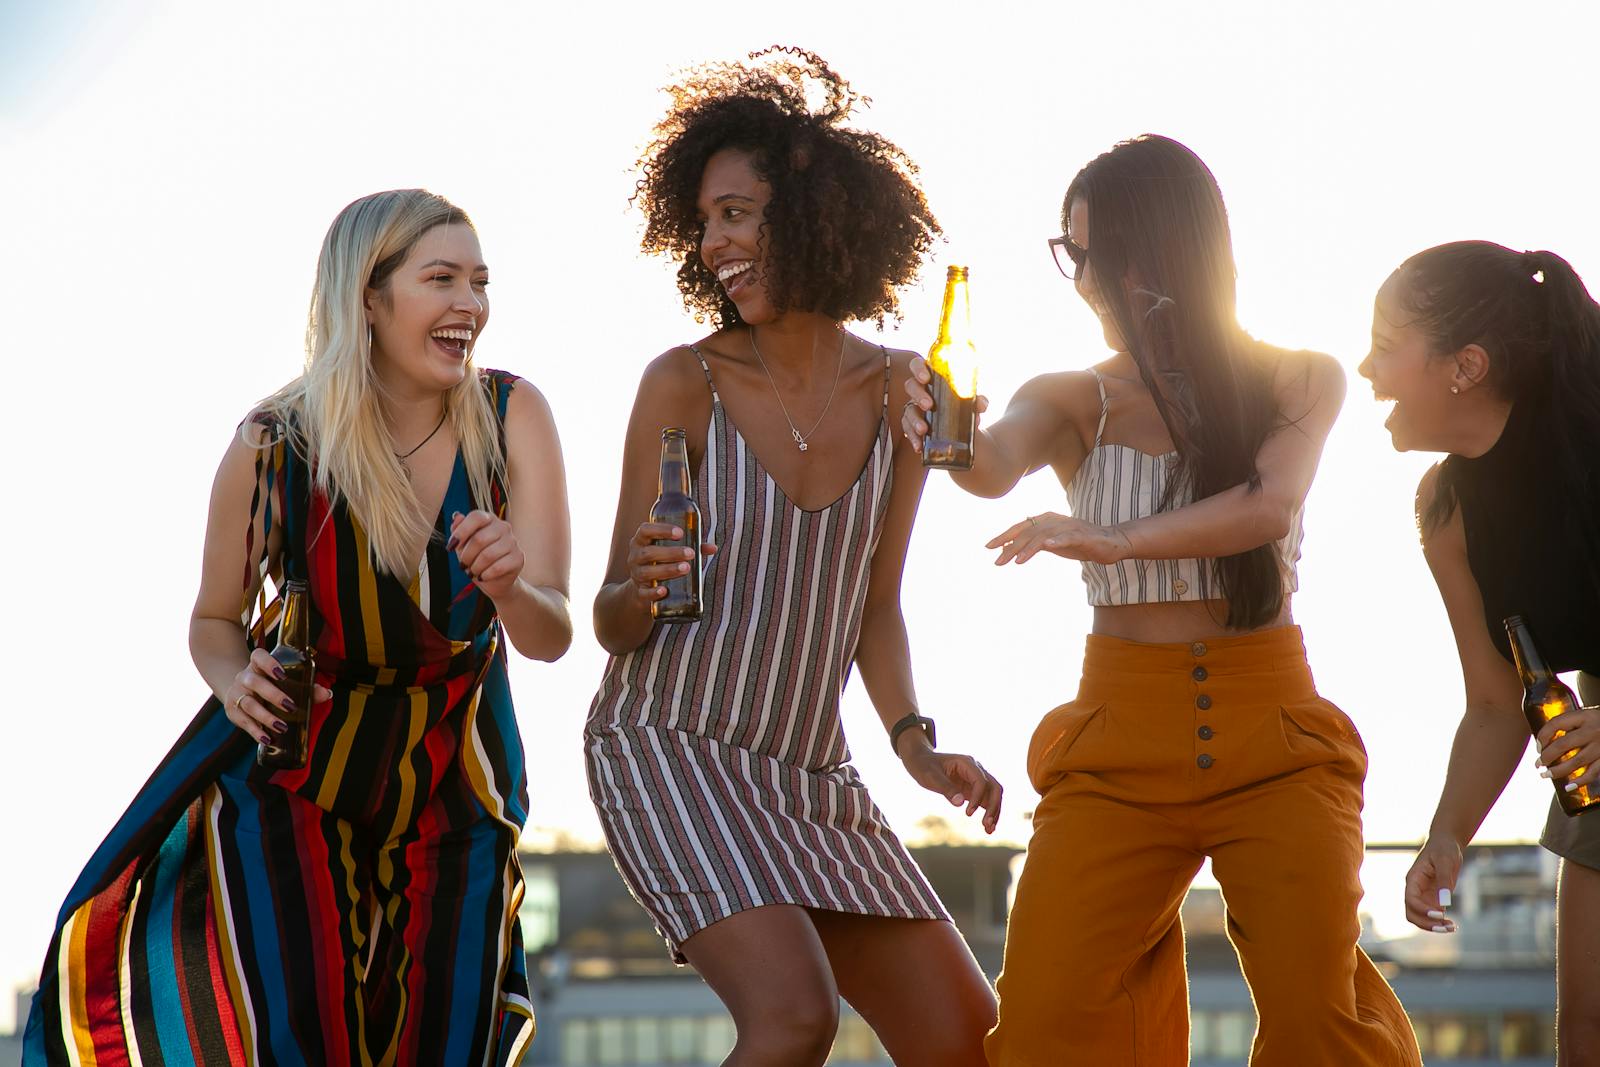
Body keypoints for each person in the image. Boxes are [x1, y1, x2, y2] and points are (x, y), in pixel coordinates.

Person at [905, 134, 1421, 1065]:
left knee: (1318, 1021)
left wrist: (1112, 539)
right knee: (1045, 1021)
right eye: (1071, 255)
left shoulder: (1298, 377)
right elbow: (986, 466)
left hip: (1277, 738)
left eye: (1096, 255)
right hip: (1116, 742)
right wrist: (942, 418)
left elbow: (1267, 507)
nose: (1084, 282)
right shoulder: (1073, 396)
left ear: (1171, 248)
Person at [25, 189, 572, 1064]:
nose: (470, 303)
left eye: (479, 280)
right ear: (368, 295)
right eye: (441, 279)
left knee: (455, 1040)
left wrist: (510, 583)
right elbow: (213, 620)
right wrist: (233, 680)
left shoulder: (512, 417)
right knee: (302, 1040)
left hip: (458, 779)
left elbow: (549, 633)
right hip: (296, 779)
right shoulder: (273, 442)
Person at [584, 48, 1001, 1067]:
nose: (714, 240)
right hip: (667, 744)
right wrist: (638, 584)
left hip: (812, 772)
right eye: (704, 221)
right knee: (793, 1018)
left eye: (737, 212)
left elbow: (874, 608)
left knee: (968, 1036)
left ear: (814, 215)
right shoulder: (681, 383)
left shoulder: (904, 390)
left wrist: (914, 743)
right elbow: (610, 615)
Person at [1362, 240, 1600, 1063]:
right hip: (1596, 748)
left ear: (1464, 365)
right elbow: (1496, 705)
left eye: (1386, 347)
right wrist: (1446, 835)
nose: (1366, 368)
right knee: (1587, 1030)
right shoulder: (1448, 512)